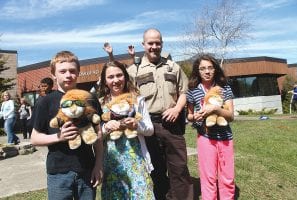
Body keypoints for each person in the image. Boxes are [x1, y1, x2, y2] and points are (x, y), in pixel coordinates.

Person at [127, 28, 193, 200]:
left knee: (179, 168)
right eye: (150, 43)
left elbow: (184, 92)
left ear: (162, 44)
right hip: (149, 126)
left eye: (158, 43)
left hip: (173, 124)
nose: (154, 46)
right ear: (144, 45)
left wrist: (177, 109)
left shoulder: (173, 67)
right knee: (156, 170)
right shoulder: (133, 70)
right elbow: (128, 99)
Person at [30, 51, 103, 200]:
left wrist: (98, 165)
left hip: (87, 169)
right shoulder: (45, 102)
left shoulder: (90, 98)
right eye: (62, 71)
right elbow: (35, 138)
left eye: (72, 71)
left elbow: (99, 136)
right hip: (58, 173)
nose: (68, 75)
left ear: (78, 72)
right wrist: (59, 137)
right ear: (54, 74)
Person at [99, 60, 155, 199]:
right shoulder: (100, 104)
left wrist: (137, 126)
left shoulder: (137, 100)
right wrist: (106, 127)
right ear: (105, 81)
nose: (116, 80)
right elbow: (95, 136)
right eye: (110, 77)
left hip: (137, 161)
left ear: (125, 76)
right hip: (112, 164)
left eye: (119, 75)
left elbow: (150, 130)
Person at [186, 54, 235, 200]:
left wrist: (215, 109)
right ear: (198, 71)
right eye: (202, 69)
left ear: (215, 69)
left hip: (225, 138)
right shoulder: (193, 90)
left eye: (210, 68)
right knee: (208, 178)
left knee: (227, 177)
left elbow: (231, 116)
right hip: (205, 138)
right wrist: (194, 117)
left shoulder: (224, 88)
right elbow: (188, 116)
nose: (207, 71)